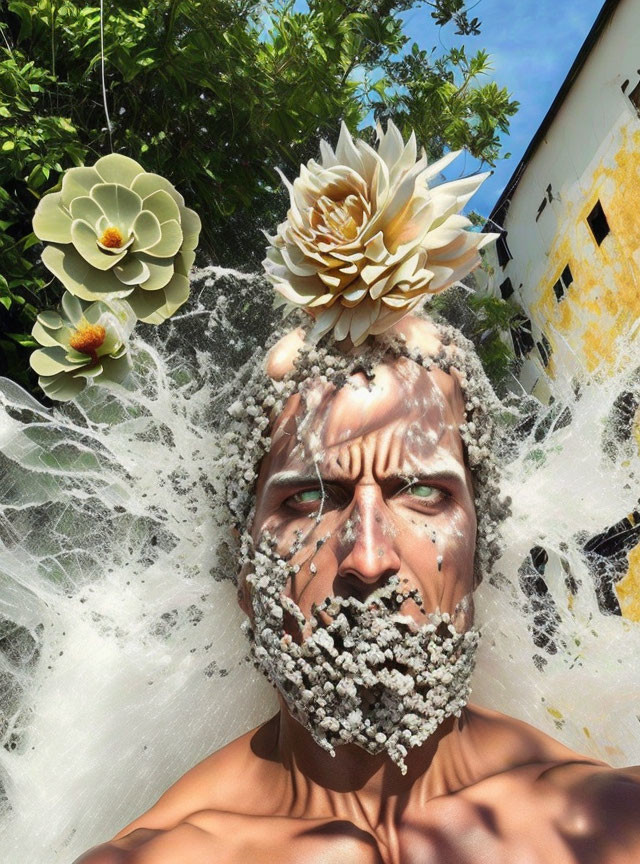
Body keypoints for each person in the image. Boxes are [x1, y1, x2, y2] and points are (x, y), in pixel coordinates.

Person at [74, 314, 640, 864]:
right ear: (242, 565)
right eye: (308, 499)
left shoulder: (612, 822)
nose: (369, 560)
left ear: (480, 547)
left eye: (422, 491)